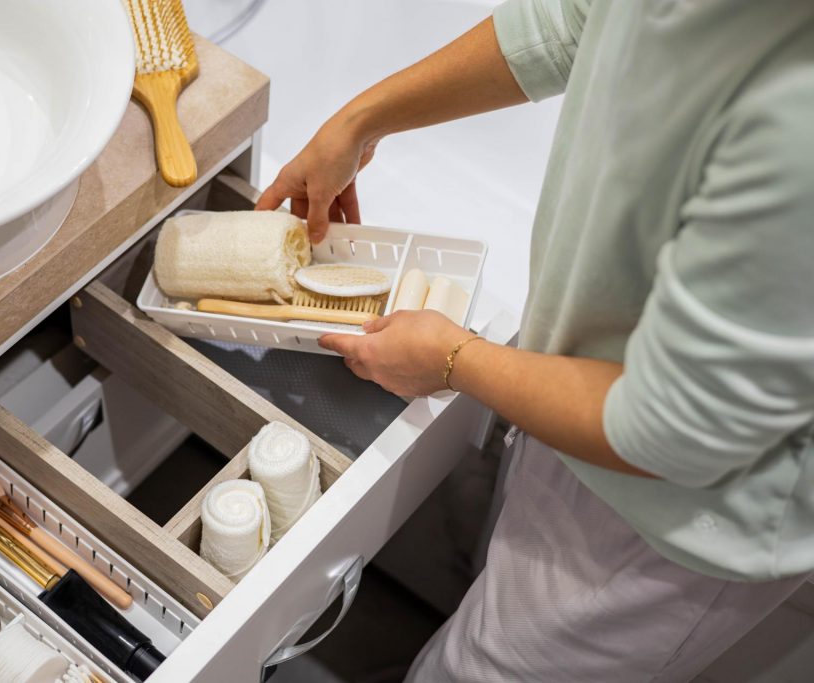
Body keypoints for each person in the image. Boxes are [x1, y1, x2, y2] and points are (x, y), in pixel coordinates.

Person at [255, 0, 814, 680]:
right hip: (586, 381)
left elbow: (665, 431)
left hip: (678, 521)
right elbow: (574, 21)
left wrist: (454, 358)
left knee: (474, 668)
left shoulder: (795, 127)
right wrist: (363, 118)